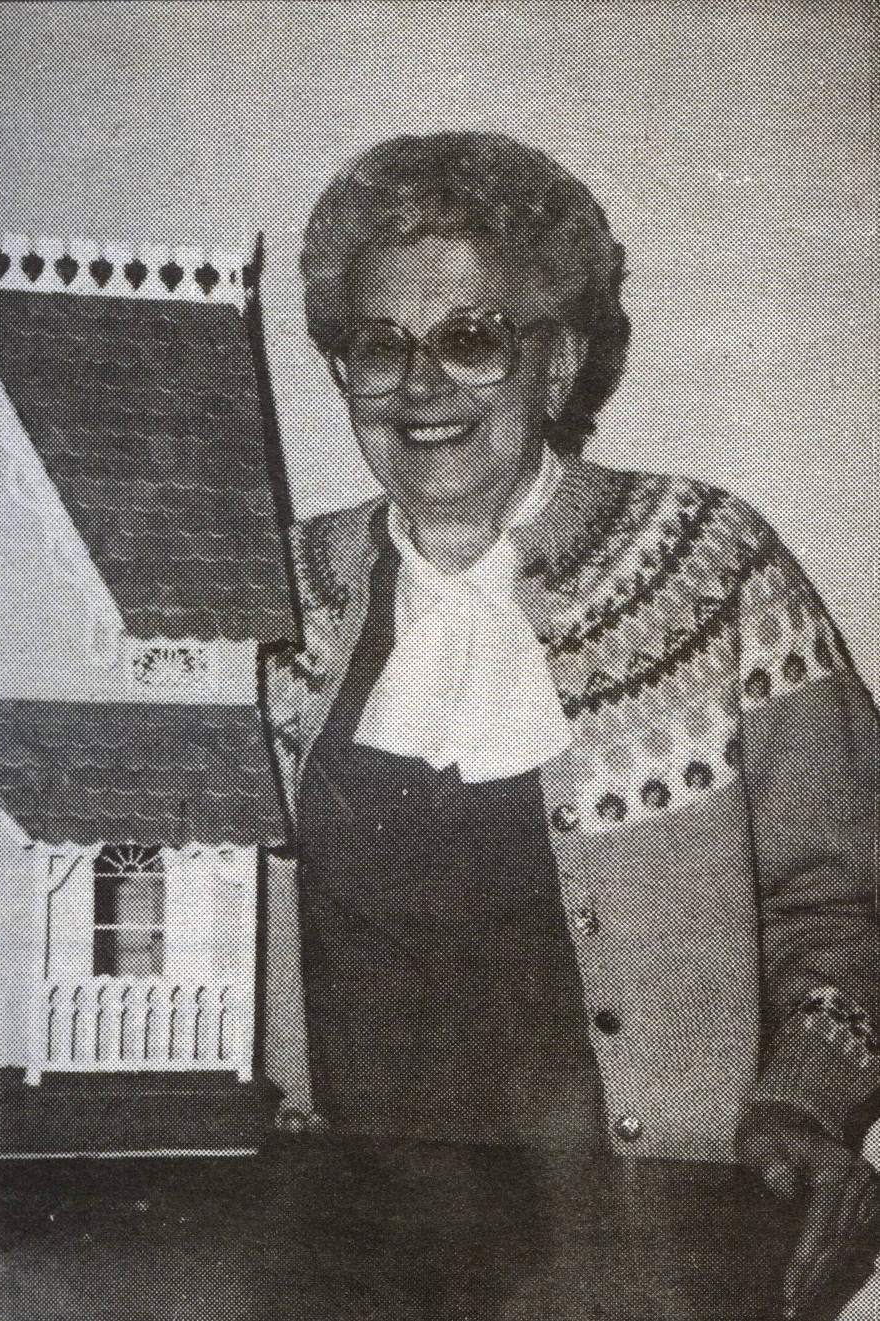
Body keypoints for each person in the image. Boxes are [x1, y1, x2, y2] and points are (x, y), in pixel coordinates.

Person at [260, 132, 880, 1320]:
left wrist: (800, 1102)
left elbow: (844, 902)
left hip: (638, 1255)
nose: (419, 387)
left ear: (557, 366)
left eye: (470, 339)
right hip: (337, 1250)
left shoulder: (712, 565)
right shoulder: (282, 593)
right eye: (376, 347)